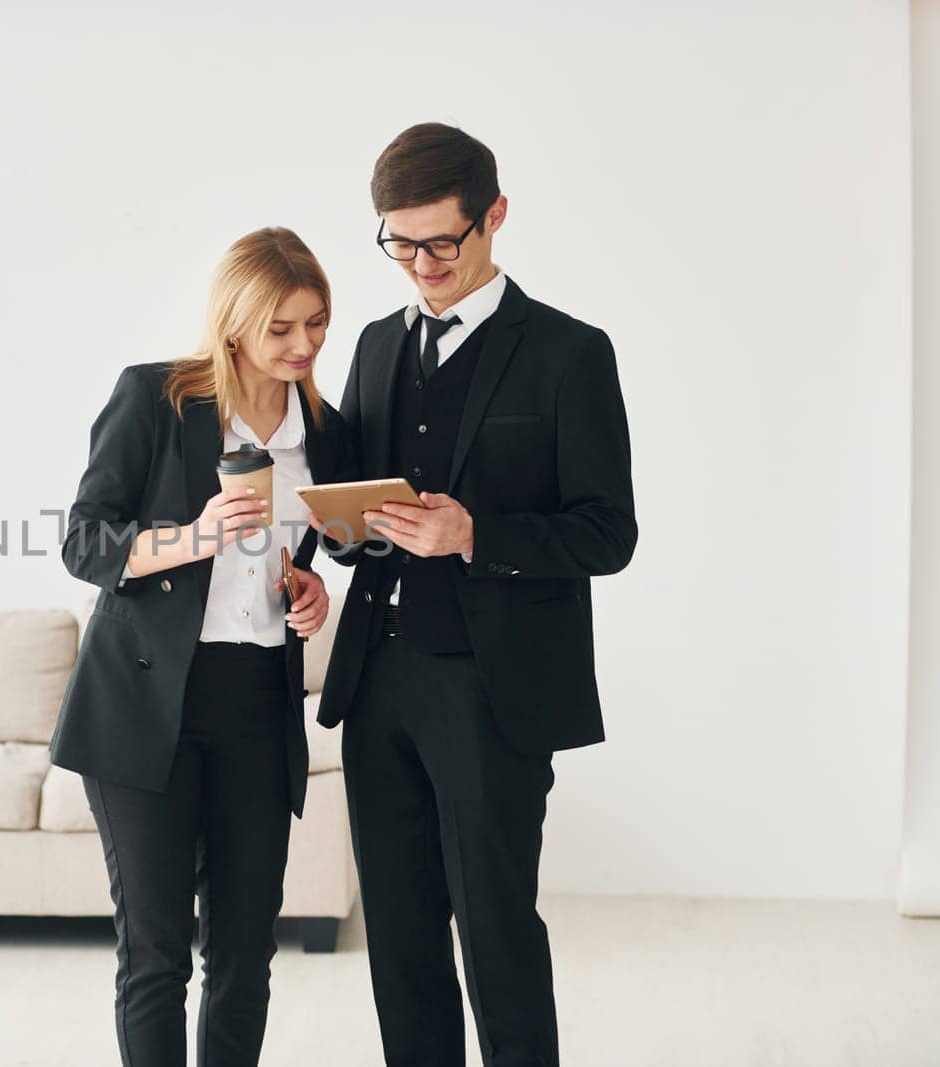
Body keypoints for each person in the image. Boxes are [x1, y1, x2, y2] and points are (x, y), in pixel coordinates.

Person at [309, 123, 638, 1067]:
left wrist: (475, 535)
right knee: (401, 941)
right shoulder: (374, 346)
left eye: (441, 243)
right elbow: (357, 514)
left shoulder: (571, 354)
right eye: (398, 243)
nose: (420, 264)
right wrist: (335, 530)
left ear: (494, 217)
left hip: (494, 692)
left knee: (495, 929)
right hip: (378, 684)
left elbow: (607, 533)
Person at [51, 227, 351, 1067]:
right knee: (156, 957)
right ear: (233, 326)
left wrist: (308, 587)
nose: (304, 346)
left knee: (247, 958)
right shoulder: (155, 397)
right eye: (282, 329)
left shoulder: (320, 429)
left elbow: (305, 550)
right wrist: (196, 535)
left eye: (317, 324)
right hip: (144, 709)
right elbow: (84, 543)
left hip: (256, 701)